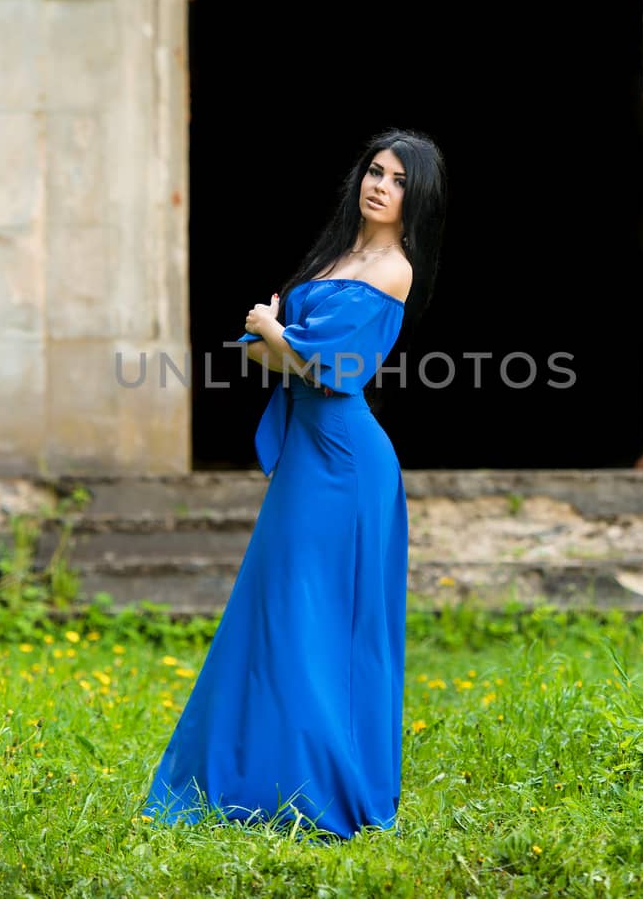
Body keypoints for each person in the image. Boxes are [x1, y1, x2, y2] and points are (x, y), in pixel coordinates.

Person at [141, 128, 448, 839]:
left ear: (417, 198)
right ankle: (252, 778)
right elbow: (266, 362)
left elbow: (338, 373)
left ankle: (326, 787)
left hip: (346, 463)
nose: (381, 186)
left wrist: (275, 334)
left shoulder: (394, 268)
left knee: (320, 618)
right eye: (376, 171)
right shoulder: (338, 256)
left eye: (399, 180)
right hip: (310, 458)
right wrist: (274, 341)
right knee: (273, 609)